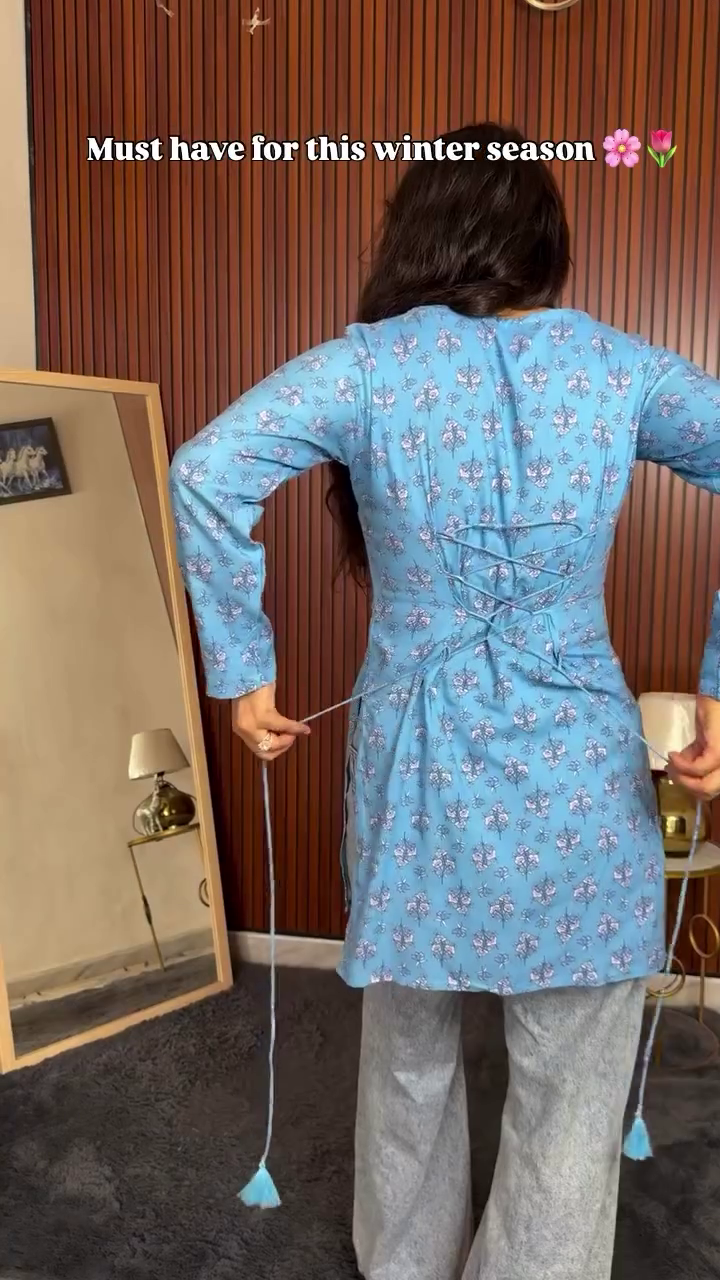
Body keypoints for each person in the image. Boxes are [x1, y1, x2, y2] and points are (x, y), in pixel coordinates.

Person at [169, 121, 720, 1280]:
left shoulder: (371, 365)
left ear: (419, 239)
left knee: (410, 1042)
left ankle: (406, 1263)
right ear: (545, 245)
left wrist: (245, 670)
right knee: (572, 1064)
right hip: (578, 767)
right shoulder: (619, 367)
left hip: (419, 759)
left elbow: (204, 470)